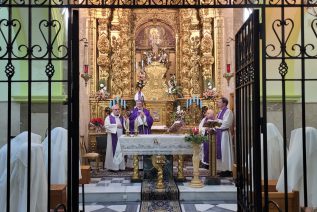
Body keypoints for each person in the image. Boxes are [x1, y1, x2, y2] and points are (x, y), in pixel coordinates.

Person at [215, 97, 234, 177]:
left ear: (224, 103)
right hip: (219, 134)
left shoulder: (228, 112)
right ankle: (222, 169)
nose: (218, 103)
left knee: (225, 152)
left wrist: (217, 122)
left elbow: (227, 123)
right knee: (221, 152)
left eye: (219, 102)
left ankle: (227, 170)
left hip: (224, 134)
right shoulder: (220, 112)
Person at [104, 104, 126, 171]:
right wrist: (116, 126)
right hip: (112, 138)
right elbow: (106, 126)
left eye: (118, 109)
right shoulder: (108, 117)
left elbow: (125, 127)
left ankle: (121, 167)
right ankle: (113, 167)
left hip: (120, 137)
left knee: (120, 151)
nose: (117, 111)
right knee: (112, 150)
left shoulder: (121, 118)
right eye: (115, 109)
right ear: (112, 110)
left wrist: (126, 121)